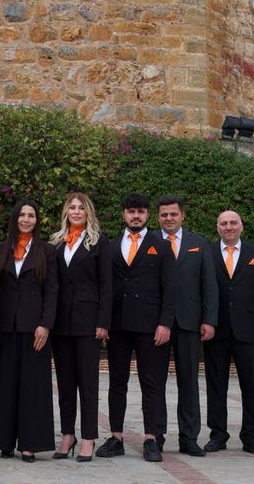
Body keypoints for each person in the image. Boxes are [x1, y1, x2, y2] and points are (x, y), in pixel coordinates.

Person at [98, 194, 175, 462]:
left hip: (150, 326)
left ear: (147, 215)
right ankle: (116, 436)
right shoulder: (109, 247)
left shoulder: (161, 246)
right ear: (123, 214)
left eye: (140, 211)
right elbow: (104, 288)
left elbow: (170, 288)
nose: (136, 216)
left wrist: (165, 323)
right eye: (131, 211)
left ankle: (151, 438)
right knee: (117, 382)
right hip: (118, 325)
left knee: (151, 383)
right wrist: (103, 323)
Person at [202, 210, 254, 456]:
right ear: (217, 227)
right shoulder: (208, 252)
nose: (229, 227)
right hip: (217, 331)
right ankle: (218, 435)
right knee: (216, 386)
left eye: (233, 223)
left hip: (250, 332)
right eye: (224, 223)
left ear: (242, 226)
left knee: (253, 387)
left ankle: (252, 437)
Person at [0, 199, 58, 462]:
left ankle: (30, 443)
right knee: (4, 384)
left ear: (36, 220)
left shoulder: (47, 251)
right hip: (5, 328)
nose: (26, 219)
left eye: (31, 215)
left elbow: (52, 291)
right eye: (22, 215)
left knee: (33, 387)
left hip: (35, 329)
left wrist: (46, 324)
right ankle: (5, 441)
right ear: (15, 218)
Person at [155, 195, 217, 457]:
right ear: (158, 217)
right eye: (164, 215)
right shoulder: (149, 242)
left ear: (182, 215)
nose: (169, 218)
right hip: (157, 323)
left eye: (173, 214)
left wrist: (209, 319)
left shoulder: (199, 244)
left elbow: (209, 285)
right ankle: (155, 435)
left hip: (190, 322)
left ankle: (189, 437)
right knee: (155, 382)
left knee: (189, 382)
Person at [51, 193, 109, 462]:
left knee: (87, 384)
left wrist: (103, 322)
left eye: (80, 208)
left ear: (88, 212)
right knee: (65, 383)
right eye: (72, 208)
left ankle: (88, 437)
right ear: (66, 212)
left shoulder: (98, 242)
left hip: (88, 323)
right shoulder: (57, 242)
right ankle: (67, 434)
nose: (76, 212)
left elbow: (106, 285)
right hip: (61, 323)